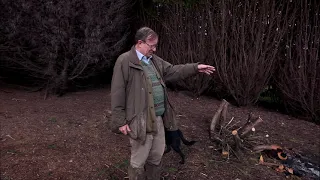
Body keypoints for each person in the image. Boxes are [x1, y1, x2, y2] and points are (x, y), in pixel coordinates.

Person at [110, 27, 215, 180]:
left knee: (156, 156)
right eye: (151, 45)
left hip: (159, 118)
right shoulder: (125, 61)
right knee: (138, 161)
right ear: (140, 43)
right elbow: (117, 92)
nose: (155, 49)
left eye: (155, 45)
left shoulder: (154, 61)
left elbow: (173, 71)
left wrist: (195, 68)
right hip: (140, 120)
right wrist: (120, 121)